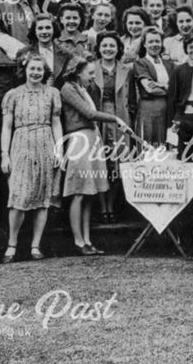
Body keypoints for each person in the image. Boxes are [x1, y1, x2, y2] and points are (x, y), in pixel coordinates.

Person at [0, 53, 64, 263]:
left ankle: (35, 245)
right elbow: (7, 127)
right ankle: (12, 244)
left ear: (44, 72)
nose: (35, 73)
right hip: (21, 144)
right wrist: (4, 155)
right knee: (18, 196)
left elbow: (55, 122)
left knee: (43, 198)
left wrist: (59, 150)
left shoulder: (52, 93)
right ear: (25, 70)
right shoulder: (13, 94)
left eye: (39, 69)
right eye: (32, 69)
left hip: (45, 144)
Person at [60, 56, 122, 256]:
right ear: (78, 72)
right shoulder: (68, 88)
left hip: (92, 138)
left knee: (89, 194)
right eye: (90, 73)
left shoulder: (84, 89)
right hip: (80, 141)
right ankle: (78, 241)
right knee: (79, 193)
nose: (93, 77)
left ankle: (87, 239)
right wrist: (115, 118)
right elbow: (89, 113)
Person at [90, 32, 131, 223]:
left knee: (117, 162)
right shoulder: (91, 68)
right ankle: (102, 205)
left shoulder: (125, 69)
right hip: (98, 117)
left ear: (118, 48)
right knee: (100, 162)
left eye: (112, 46)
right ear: (98, 48)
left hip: (120, 117)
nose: (108, 49)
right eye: (104, 45)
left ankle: (112, 205)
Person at [131, 27, 175, 145]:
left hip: (167, 110)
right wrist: (167, 88)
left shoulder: (169, 64)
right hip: (149, 110)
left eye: (157, 41)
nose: (154, 44)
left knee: (165, 146)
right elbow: (149, 88)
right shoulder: (141, 63)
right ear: (144, 44)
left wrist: (161, 86)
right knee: (149, 146)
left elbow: (176, 88)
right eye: (150, 42)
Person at [167, 33, 193, 155]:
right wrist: (175, 119)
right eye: (191, 47)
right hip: (185, 116)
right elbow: (172, 97)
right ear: (186, 49)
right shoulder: (179, 70)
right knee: (185, 152)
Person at [28, 13, 70, 86]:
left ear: (54, 29)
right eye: (40, 28)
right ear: (35, 31)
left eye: (48, 28)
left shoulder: (66, 54)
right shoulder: (26, 53)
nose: (44, 32)